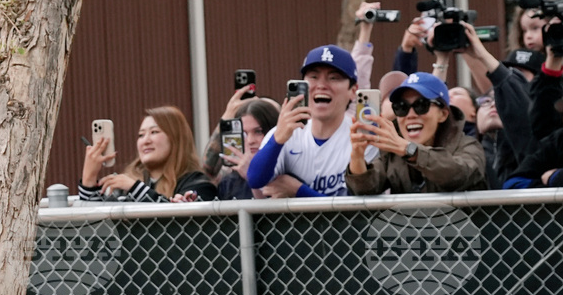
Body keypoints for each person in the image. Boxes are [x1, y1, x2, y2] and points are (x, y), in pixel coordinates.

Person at [247, 45, 377, 197]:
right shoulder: (284, 134)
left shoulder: (363, 137)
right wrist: (277, 141)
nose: (321, 86)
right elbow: (256, 180)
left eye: (333, 78)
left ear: (353, 91)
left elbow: (354, 215)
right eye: (314, 77)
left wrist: (298, 191)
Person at [346, 73, 486, 194]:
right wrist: (357, 156)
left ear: (443, 114)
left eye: (421, 105)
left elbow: (458, 174)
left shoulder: (469, 146)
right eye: (401, 107)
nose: (410, 115)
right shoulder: (392, 153)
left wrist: (409, 150)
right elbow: (365, 188)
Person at [79, 105, 217, 202]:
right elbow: (97, 224)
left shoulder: (197, 184)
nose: (145, 141)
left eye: (154, 132)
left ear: (176, 139)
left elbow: (175, 222)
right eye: (141, 135)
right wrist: (89, 178)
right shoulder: (125, 185)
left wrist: (135, 189)